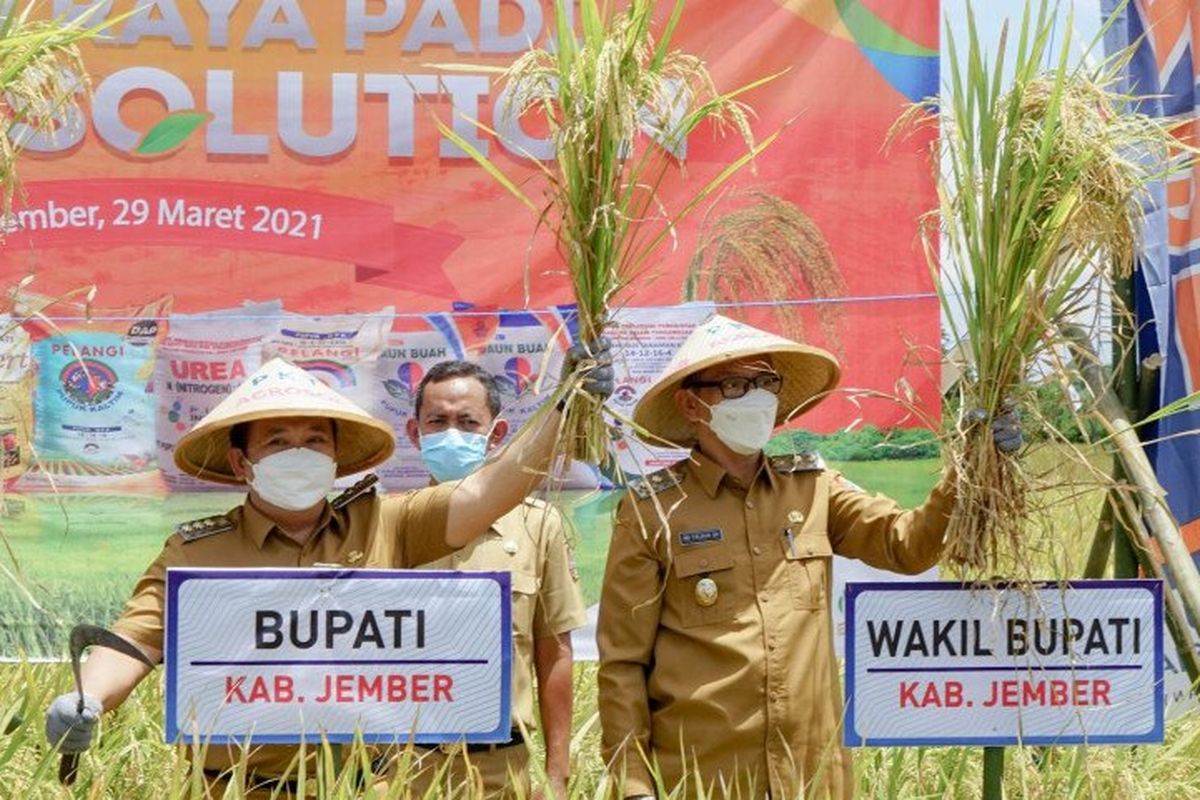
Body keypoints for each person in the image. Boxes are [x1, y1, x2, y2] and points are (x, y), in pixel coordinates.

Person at [44, 349, 610, 796]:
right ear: (243, 462)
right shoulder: (196, 553)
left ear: (336, 457)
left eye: (315, 441)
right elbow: (134, 639)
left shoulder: (388, 524)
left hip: (365, 786)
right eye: (279, 442)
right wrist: (88, 697)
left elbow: (490, 489)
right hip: (236, 788)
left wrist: (566, 404)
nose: (300, 453)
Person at [596, 314, 1020, 799]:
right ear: (691, 404)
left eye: (765, 382)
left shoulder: (814, 490)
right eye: (735, 384)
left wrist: (972, 462)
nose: (754, 397)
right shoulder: (653, 510)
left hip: (811, 777)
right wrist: (634, 787)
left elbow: (909, 545)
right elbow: (623, 664)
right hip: (703, 779)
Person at [394, 360, 586, 799]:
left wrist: (555, 776)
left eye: (467, 422)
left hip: (504, 771)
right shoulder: (386, 524)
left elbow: (554, 652)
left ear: (496, 434)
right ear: (414, 431)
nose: (451, 433)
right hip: (405, 770)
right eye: (437, 421)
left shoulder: (540, 526)